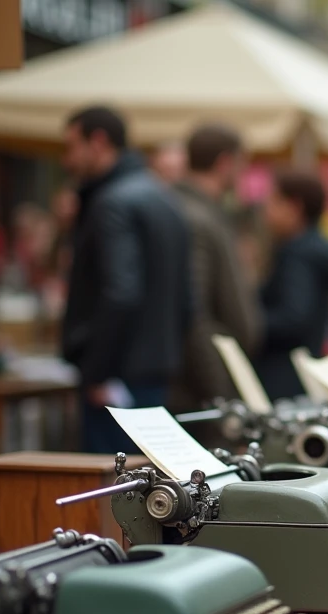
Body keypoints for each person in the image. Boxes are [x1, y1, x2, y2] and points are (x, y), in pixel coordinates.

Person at [60, 106, 192, 454]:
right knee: (142, 492)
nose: (67, 159)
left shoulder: (113, 202)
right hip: (153, 370)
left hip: (117, 376)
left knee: (112, 494)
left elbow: (121, 292)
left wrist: (97, 371)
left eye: (72, 146)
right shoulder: (163, 197)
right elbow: (187, 301)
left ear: (98, 141)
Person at [170, 123, 262, 411]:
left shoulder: (204, 210)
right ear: (225, 162)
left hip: (207, 378)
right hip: (199, 388)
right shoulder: (192, 215)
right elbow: (194, 313)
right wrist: (218, 391)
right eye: (241, 164)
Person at [254, 168, 328, 401]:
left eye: (273, 201)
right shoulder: (314, 248)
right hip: (303, 370)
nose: (266, 210)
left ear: (294, 207)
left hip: (282, 375)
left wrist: (249, 323)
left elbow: (293, 317)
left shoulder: (297, 254)